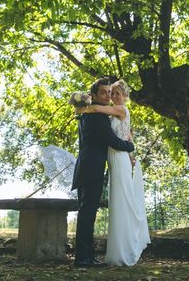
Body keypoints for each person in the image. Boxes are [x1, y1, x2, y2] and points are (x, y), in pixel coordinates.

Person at [77, 79, 150, 266]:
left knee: (92, 211)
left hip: (101, 164)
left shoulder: (99, 113)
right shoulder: (96, 115)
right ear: (93, 95)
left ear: (124, 96)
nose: (110, 96)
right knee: (88, 212)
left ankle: (88, 256)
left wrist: (130, 151)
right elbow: (114, 140)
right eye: (106, 93)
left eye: (113, 92)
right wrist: (130, 147)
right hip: (93, 167)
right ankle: (84, 258)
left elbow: (124, 132)